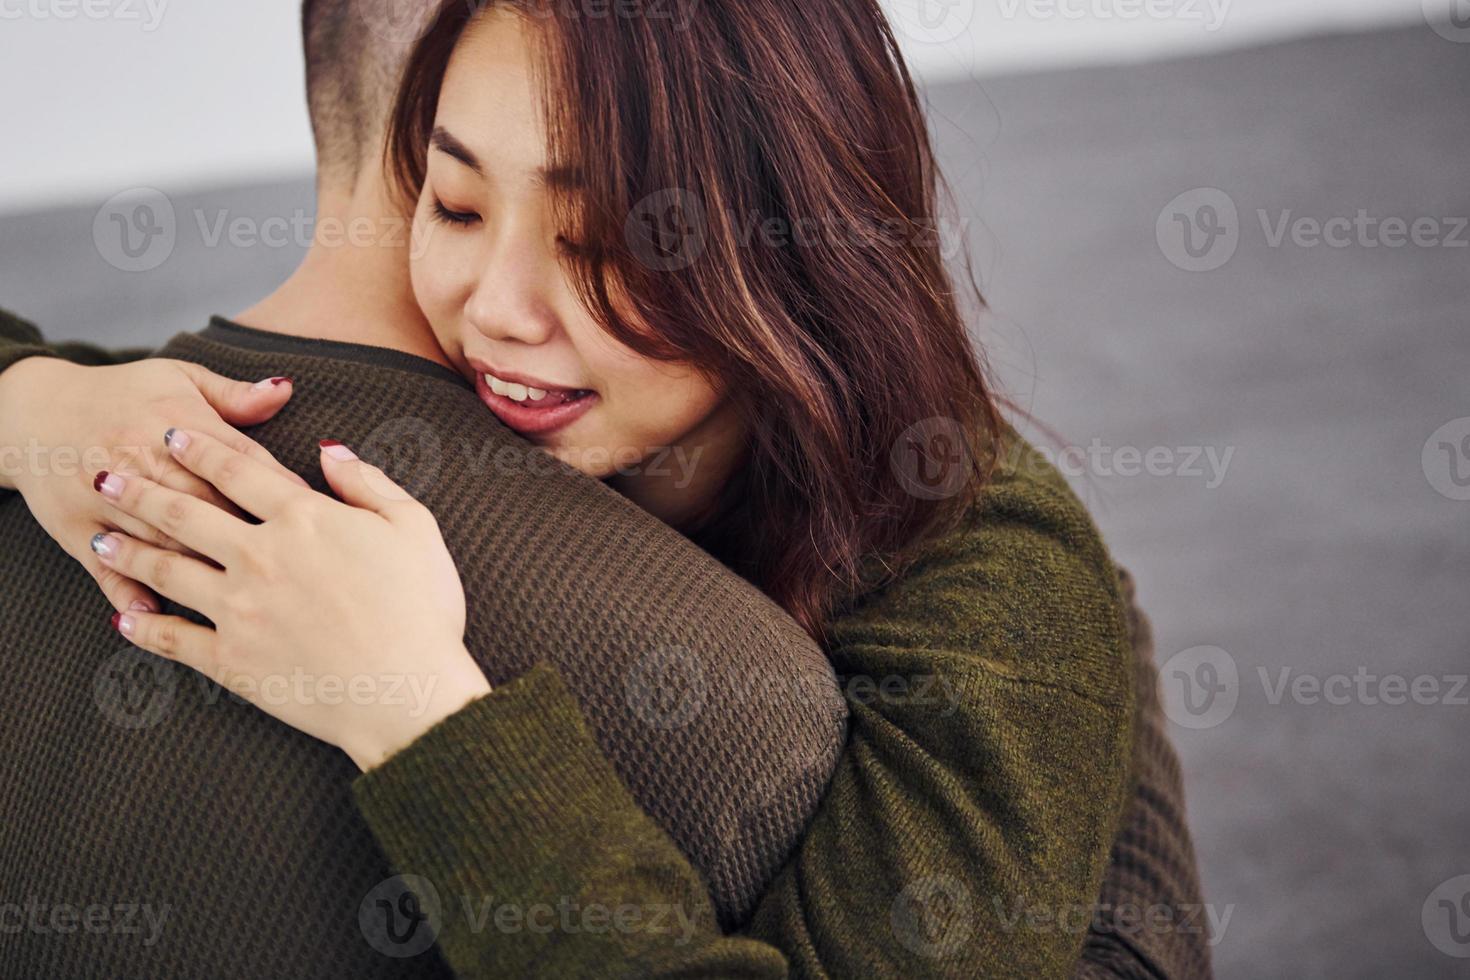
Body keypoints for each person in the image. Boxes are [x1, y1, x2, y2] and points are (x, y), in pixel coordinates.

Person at [0, 0, 1212, 976]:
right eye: (458, 202)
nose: (497, 308)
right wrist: (32, 400)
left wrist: (419, 713)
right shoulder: (463, 402)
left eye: (601, 241)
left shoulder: (982, 561)